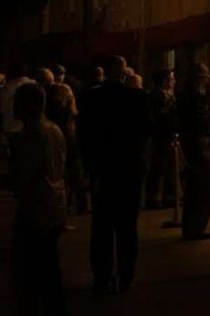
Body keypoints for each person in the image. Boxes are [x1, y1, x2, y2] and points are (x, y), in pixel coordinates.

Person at [77, 55, 152, 293]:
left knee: (102, 225)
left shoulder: (90, 98)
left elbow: (83, 137)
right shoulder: (138, 97)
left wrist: (88, 167)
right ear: (124, 72)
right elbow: (147, 131)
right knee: (127, 225)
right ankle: (126, 275)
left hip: (102, 169)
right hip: (129, 168)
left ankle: (102, 275)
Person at [10, 82, 67, 316]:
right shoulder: (53, 129)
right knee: (49, 265)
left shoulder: (33, 134)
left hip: (36, 207)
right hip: (54, 204)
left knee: (30, 269)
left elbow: (25, 174)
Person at [177, 62, 210, 240]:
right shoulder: (195, 97)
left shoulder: (190, 95)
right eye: (205, 78)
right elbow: (199, 123)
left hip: (195, 145)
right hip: (199, 146)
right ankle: (196, 227)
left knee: (197, 188)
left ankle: (193, 226)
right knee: (202, 188)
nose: (207, 82)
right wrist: (205, 147)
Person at [40, 66, 86, 219]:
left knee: (56, 170)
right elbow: (73, 112)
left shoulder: (42, 92)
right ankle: (81, 202)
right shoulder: (64, 90)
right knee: (74, 169)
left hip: (51, 134)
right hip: (67, 133)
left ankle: (60, 205)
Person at [146, 69, 178, 210]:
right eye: (171, 78)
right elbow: (162, 117)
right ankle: (154, 198)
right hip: (161, 137)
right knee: (159, 168)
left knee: (168, 167)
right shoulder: (158, 96)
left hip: (166, 135)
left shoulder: (166, 95)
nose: (174, 81)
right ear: (165, 80)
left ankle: (166, 196)